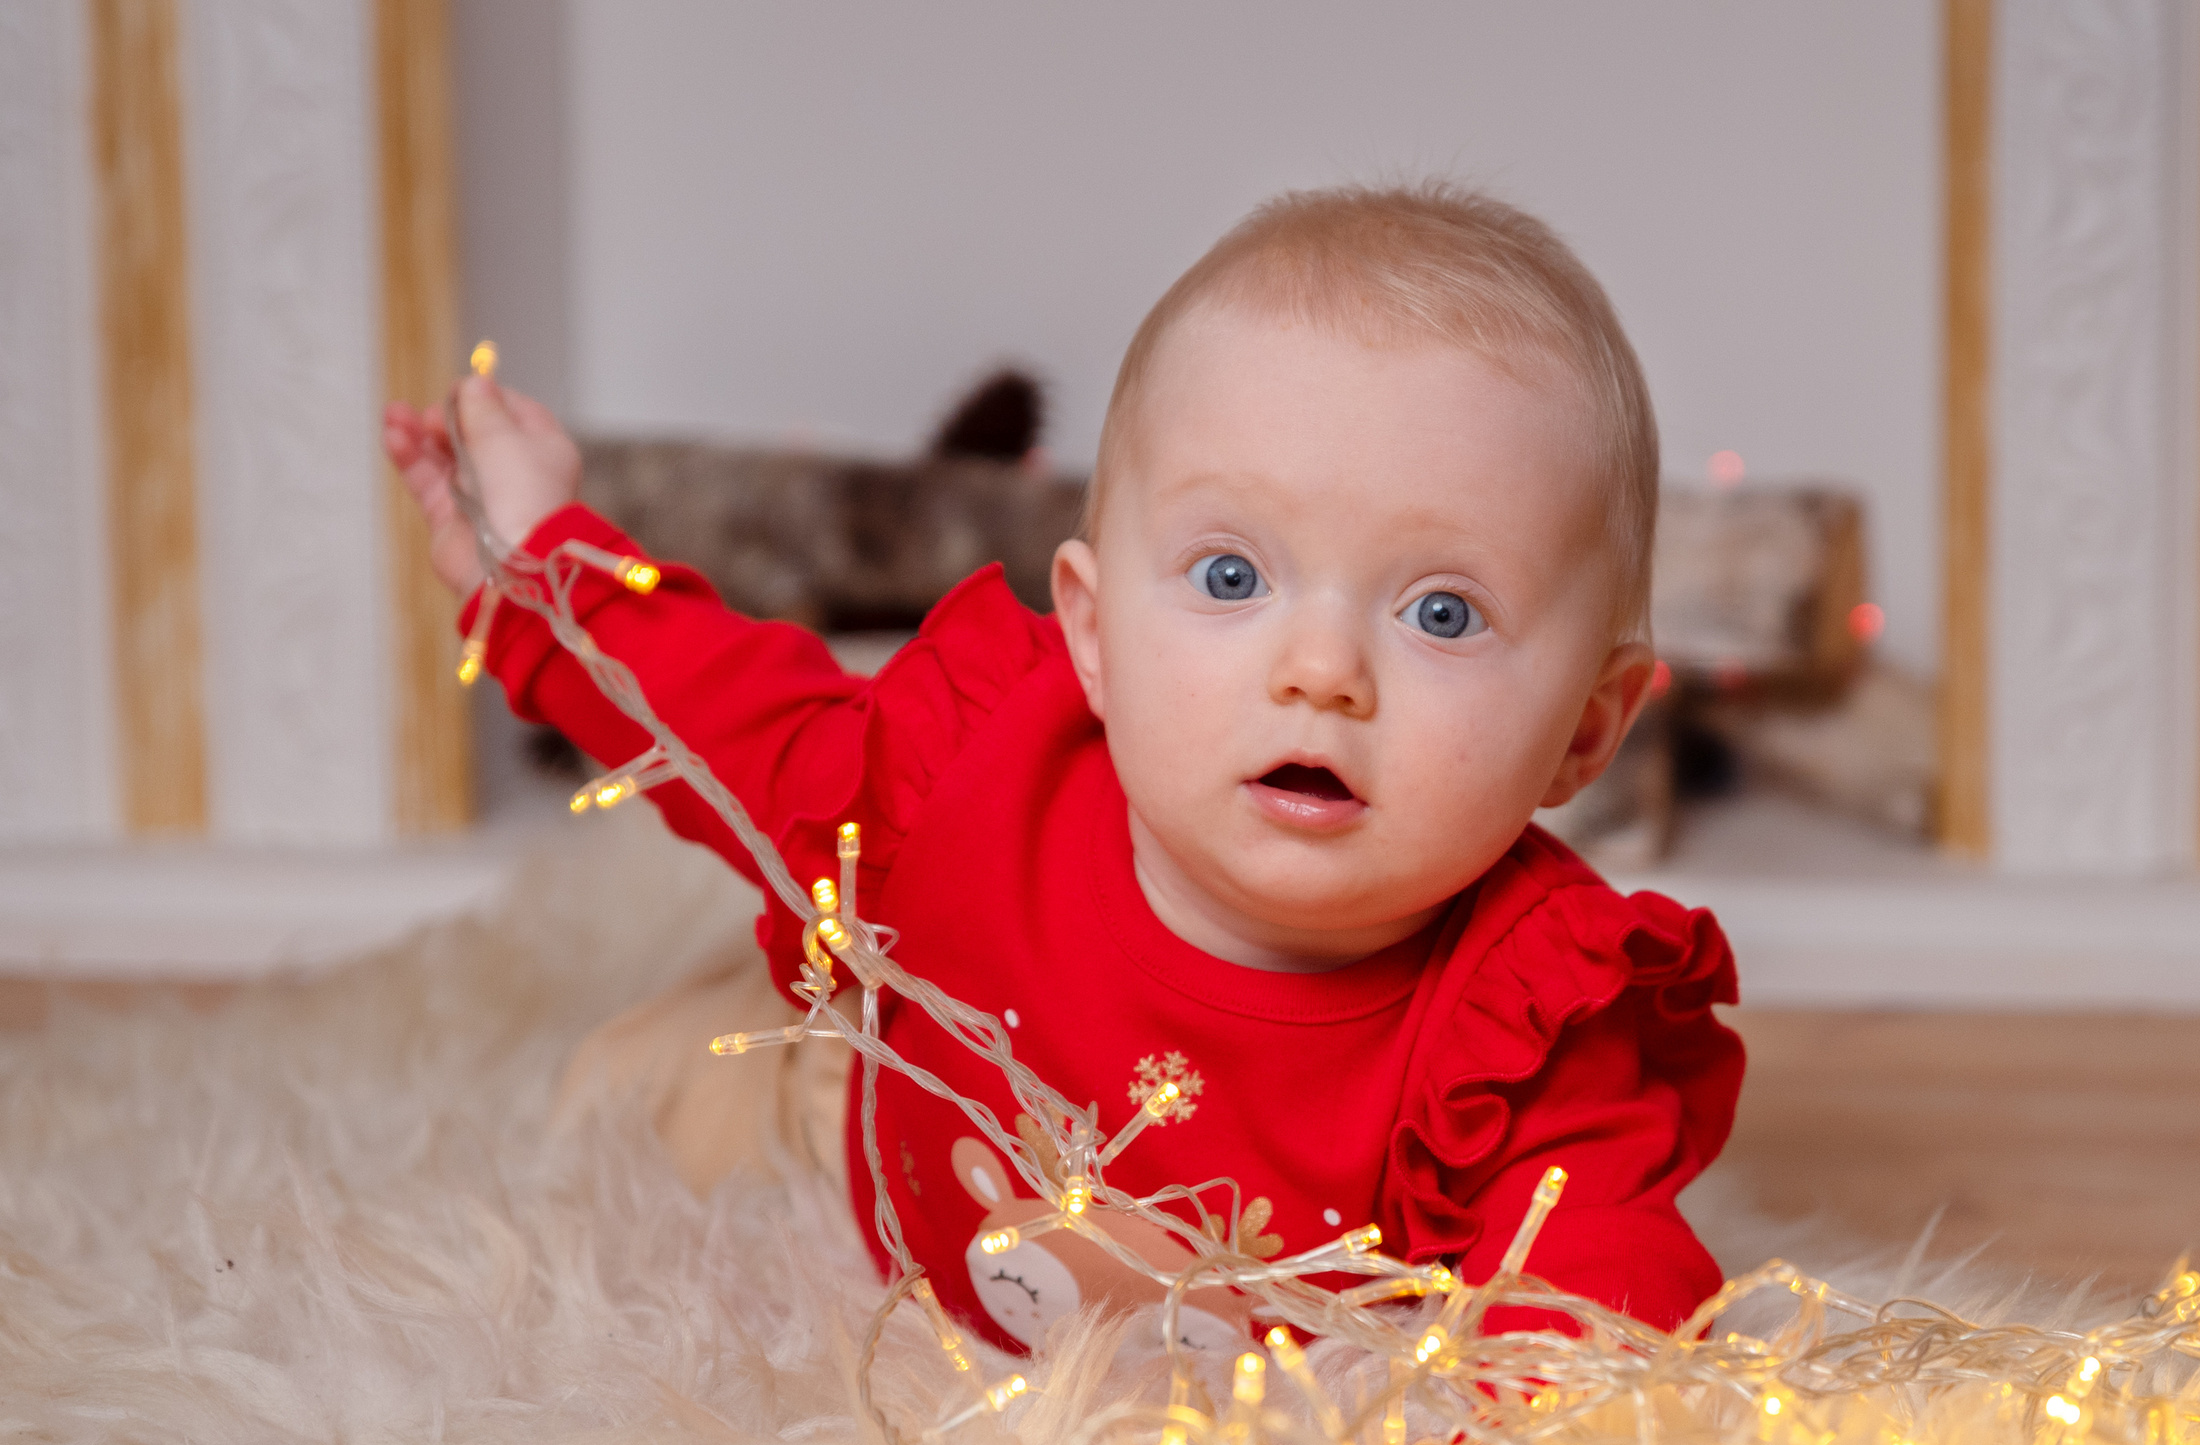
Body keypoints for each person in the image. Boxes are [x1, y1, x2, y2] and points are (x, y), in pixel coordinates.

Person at [382, 183, 1744, 1353]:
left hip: (1201, 1371)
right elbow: (730, 723)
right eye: (1231, 575)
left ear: (1585, 727)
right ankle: (762, 1022)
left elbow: (1601, 1294)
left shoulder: (1528, 1030)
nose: (1323, 668)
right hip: (880, 1091)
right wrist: (540, 561)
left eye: (1442, 611)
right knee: (633, 1100)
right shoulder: (974, 774)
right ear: (1091, 635)